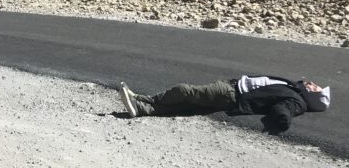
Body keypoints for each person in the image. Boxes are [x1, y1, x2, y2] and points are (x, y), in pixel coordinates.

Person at [119, 75, 330, 134]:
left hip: (232, 94)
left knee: (185, 90)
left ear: (312, 97)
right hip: (233, 88)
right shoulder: (294, 88)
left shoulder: (297, 100)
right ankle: (142, 109)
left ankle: (145, 99)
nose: (312, 84)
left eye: (315, 88)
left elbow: (285, 110)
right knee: (188, 105)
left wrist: (282, 121)